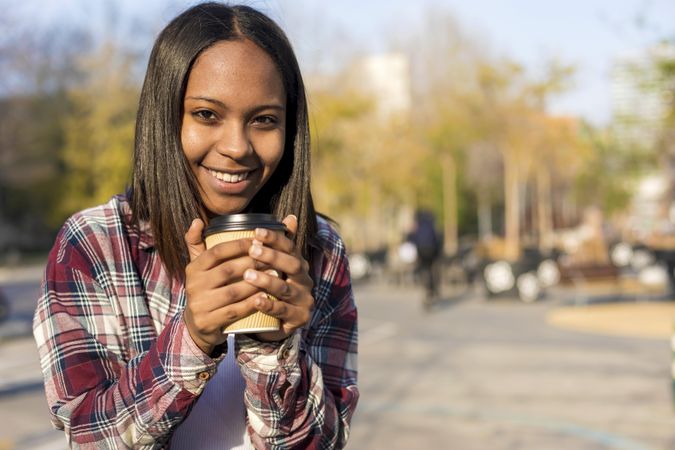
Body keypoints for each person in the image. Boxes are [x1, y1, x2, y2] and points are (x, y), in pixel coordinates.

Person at [32, 3, 358, 449]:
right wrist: (194, 337)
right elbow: (90, 437)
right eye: (207, 114)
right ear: (166, 118)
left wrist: (273, 348)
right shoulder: (95, 245)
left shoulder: (318, 251)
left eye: (264, 120)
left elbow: (327, 442)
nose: (237, 146)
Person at [406, 210, 442, 306]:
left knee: (423, 268)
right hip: (432, 251)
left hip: (421, 250)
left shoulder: (418, 224)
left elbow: (411, 237)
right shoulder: (431, 224)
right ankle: (433, 288)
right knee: (432, 269)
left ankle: (424, 284)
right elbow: (437, 238)